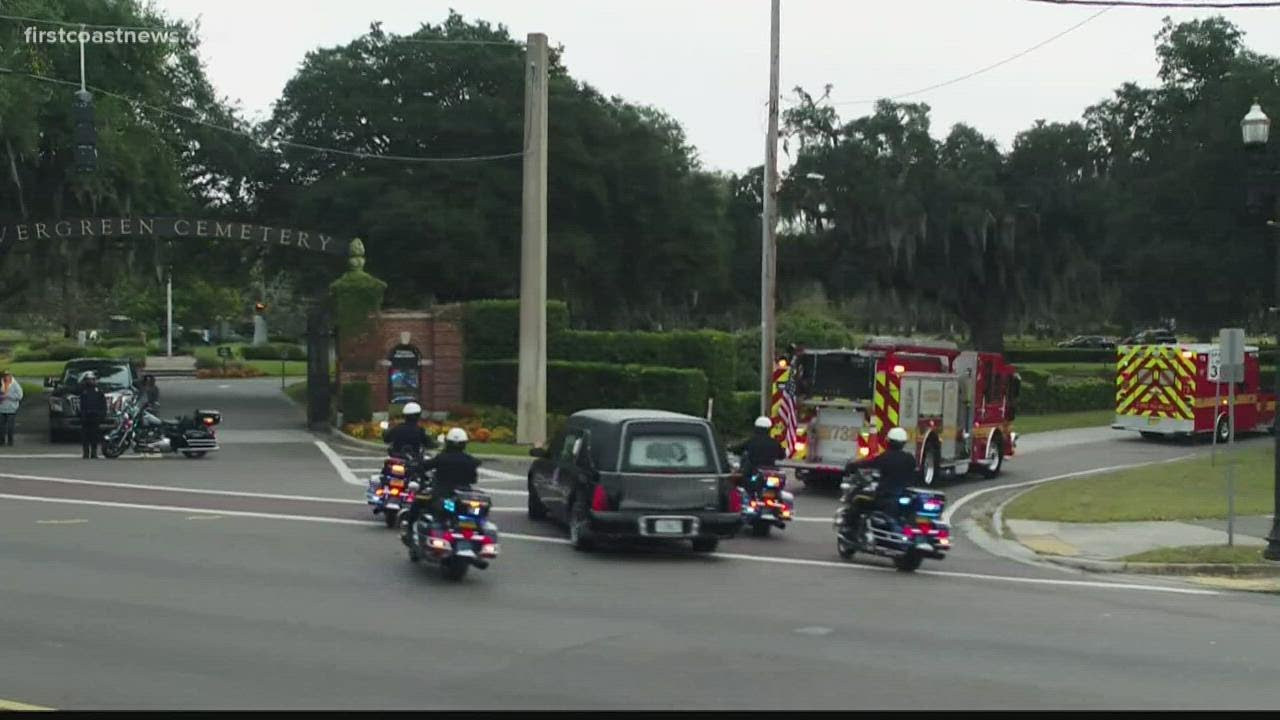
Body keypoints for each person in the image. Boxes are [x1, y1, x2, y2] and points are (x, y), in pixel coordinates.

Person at [401, 427, 481, 546]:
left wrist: (414, 466)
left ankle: (409, 532)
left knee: (418, 502)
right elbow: (473, 479)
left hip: (442, 497)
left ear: (447, 443)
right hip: (463, 499)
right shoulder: (470, 460)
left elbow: (424, 466)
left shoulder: (442, 458)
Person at [844, 426, 917, 529]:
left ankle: (850, 527)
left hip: (885, 497)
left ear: (888, 441)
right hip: (904, 496)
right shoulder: (910, 458)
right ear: (904, 443)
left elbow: (868, 463)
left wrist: (852, 465)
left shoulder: (886, 457)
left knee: (858, 500)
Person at [728, 416, 786, 497]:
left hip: (754, 474)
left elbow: (737, 449)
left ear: (756, 428)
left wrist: (730, 448)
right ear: (769, 429)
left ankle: (744, 499)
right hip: (770, 474)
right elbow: (782, 455)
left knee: (740, 480)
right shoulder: (774, 443)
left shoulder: (751, 441)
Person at [78, 372, 108, 459]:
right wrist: (82, 414)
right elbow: (81, 404)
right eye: (88, 379)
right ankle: (86, 453)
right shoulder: (83, 391)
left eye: (92, 379)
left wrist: (102, 414)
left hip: (95, 416)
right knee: (85, 436)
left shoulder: (99, 392)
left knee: (94, 435)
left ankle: (94, 453)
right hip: (86, 416)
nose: (90, 381)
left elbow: (103, 404)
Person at [0, 369, 23, 447]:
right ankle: (1, 441)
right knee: (1, 426)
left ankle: (10, 441)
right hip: (2, 408)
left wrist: (9, 396)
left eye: (8, 375)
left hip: (12, 409)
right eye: (5, 376)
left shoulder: (15, 385)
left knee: (10, 426)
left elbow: (20, 396)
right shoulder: (1, 383)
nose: (6, 377)